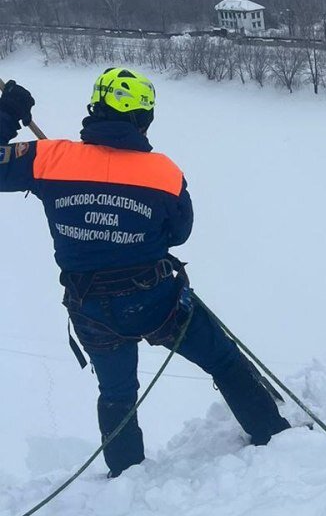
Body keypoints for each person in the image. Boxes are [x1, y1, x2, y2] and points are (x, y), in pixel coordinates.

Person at [0, 69, 290, 478]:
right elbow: (179, 233)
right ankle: (273, 436)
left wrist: (7, 114)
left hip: (91, 309)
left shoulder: (50, 159)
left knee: (117, 393)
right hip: (156, 301)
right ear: (142, 119)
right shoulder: (164, 173)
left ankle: (127, 479)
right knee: (223, 360)